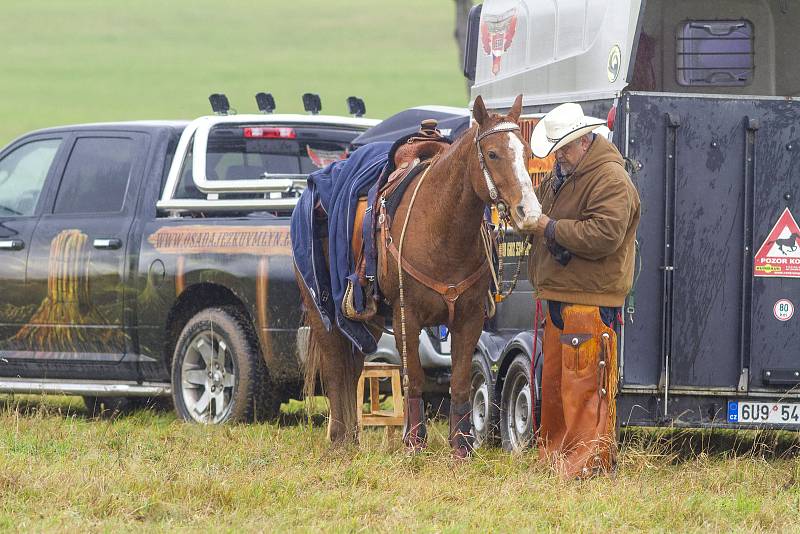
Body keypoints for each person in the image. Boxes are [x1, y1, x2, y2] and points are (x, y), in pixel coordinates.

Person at [528, 102, 641, 479]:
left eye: (565, 148)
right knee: (561, 386)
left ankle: (584, 466)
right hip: (566, 299)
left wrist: (548, 227)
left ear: (584, 141)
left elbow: (605, 235)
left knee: (585, 388)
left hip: (589, 302)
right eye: (557, 148)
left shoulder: (610, 178)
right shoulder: (565, 176)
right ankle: (560, 461)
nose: (558, 155)